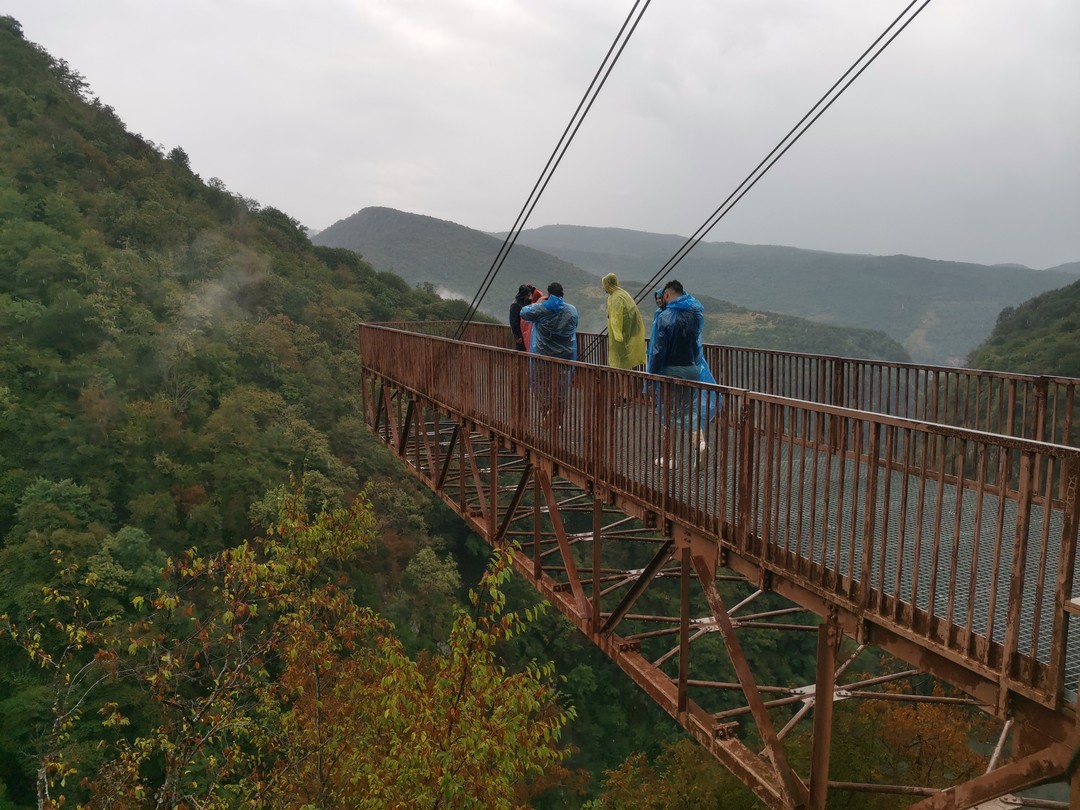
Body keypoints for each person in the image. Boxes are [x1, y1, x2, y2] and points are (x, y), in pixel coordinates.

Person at [648, 280, 710, 467]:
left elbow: (658, 350)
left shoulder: (665, 317)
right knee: (691, 410)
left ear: (666, 295)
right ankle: (700, 443)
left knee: (669, 413)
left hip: (672, 370)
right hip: (692, 369)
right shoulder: (694, 314)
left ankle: (670, 458)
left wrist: (652, 373)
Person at [520, 282, 579, 427]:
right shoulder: (571, 310)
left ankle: (548, 409)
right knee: (561, 387)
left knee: (538, 383)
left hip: (543, 355)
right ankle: (557, 420)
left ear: (549, 294)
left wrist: (538, 303)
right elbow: (574, 325)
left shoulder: (542, 309)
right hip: (565, 355)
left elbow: (524, 313)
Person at [602, 273, 646, 405]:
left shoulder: (616, 297)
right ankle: (624, 394)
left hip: (620, 340)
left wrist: (617, 336)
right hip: (628, 337)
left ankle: (625, 395)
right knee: (625, 368)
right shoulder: (622, 294)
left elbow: (616, 318)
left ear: (608, 284)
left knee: (622, 368)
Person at [509, 284, 535, 351]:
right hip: (520, 333)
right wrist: (517, 336)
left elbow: (534, 301)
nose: (528, 297)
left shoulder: (525, 302)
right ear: (523, 294)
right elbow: (513, 322)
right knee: (520, 349)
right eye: (527, 295)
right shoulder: (515, 305)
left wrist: (532, 290)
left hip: (526, 332)